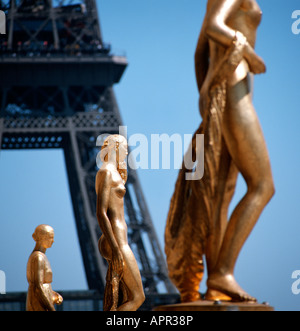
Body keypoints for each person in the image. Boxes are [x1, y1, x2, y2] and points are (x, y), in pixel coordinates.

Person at [165, 0, 275, 303]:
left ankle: (216, 284)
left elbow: (199, 52)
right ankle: (223, 271)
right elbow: (215, 27)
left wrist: (207, 95)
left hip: (222, 87)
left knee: (221, 193)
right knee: (263, 186)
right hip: (234, 87)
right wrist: (250, 56)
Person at [96, 135, 145, 311]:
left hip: (118, 239)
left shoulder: (112, 171)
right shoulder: (106, 172)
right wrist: (116, 248)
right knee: (138, 297)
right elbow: (101, 213)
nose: (126, 152)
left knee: (124, 296)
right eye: (124, 148)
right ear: (114, 148)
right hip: (116, 240)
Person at [26, 225, 63, 311]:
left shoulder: (41, 257)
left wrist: (53, 294)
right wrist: (51, 308)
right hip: (39, 302)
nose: (53, 241)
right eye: (50, 237)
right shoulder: (38, 258)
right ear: (42, 238)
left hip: (44, 298)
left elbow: (42, 285)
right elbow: (38, 287)